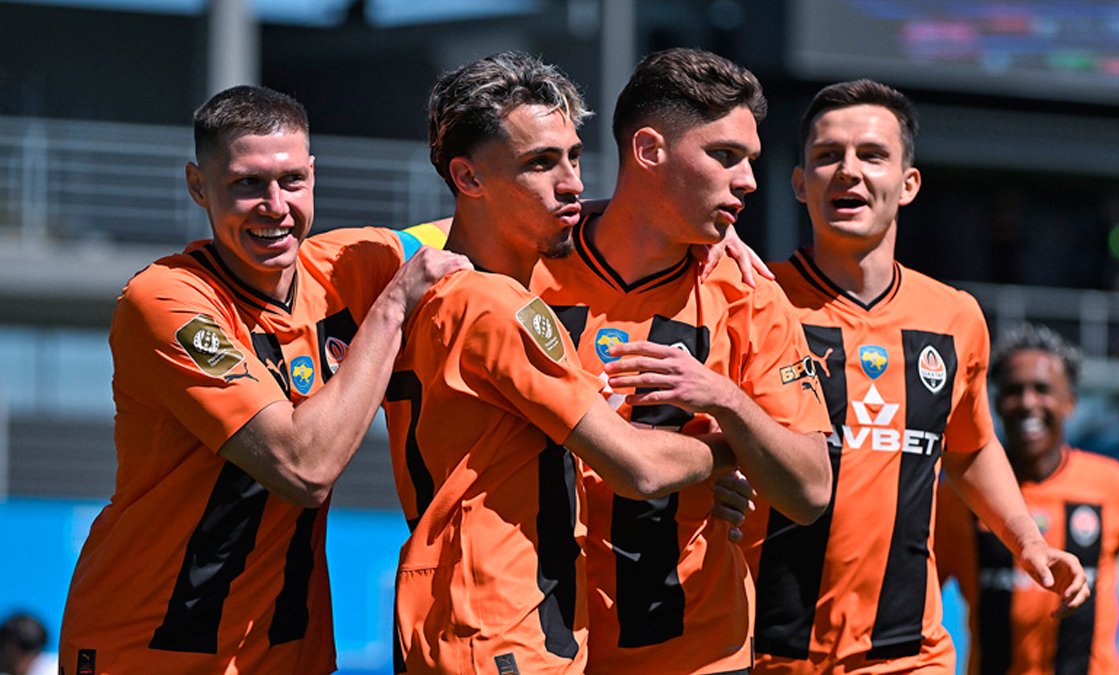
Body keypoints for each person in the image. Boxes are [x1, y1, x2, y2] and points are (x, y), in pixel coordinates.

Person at [58, 85, 469, 674]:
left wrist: (588, 214)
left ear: (312, 175)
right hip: (147, 650)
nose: (275, 206)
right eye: (247, 183)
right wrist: (392, 308)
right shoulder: (168, 300)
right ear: (198, 186)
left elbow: (487, 225)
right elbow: (303, 467)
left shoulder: (354, 263)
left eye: (292, 180)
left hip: (287, 655)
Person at [385, 51, 740, 674]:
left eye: (573, 157)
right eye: (541, 163)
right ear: (468, 178)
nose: (573, 182)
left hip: (454, 622)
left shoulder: (427, 285)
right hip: (500, 632)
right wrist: (731, 449)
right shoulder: (497, 305)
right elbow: (638, 467)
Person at [739, 79, 1091, 673]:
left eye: (872, 155)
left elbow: (970, 447)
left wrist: (1028, 542)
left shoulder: (954, 317)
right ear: (800, 183)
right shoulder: (751, 298)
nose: (848, 171)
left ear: (908, 184)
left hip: (908, 655)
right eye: (827, 155)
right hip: (766, 651)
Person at [523, 47, 832, 674]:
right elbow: (412, 245)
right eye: (725, 155)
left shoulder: (747, 292)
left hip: (698, 653)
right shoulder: (519, 266)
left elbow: (810, 490)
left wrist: (728, 402)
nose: (748, 180)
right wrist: (724, 454)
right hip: (542, 650)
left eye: (749, 159)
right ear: (649, 150)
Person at [936, 323, 1119, 674]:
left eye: (1042, 389)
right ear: (996, 404)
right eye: (1014, 390)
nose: (1028, 402)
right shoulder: (957, 497)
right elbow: (918, 589)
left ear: (1070, 402)